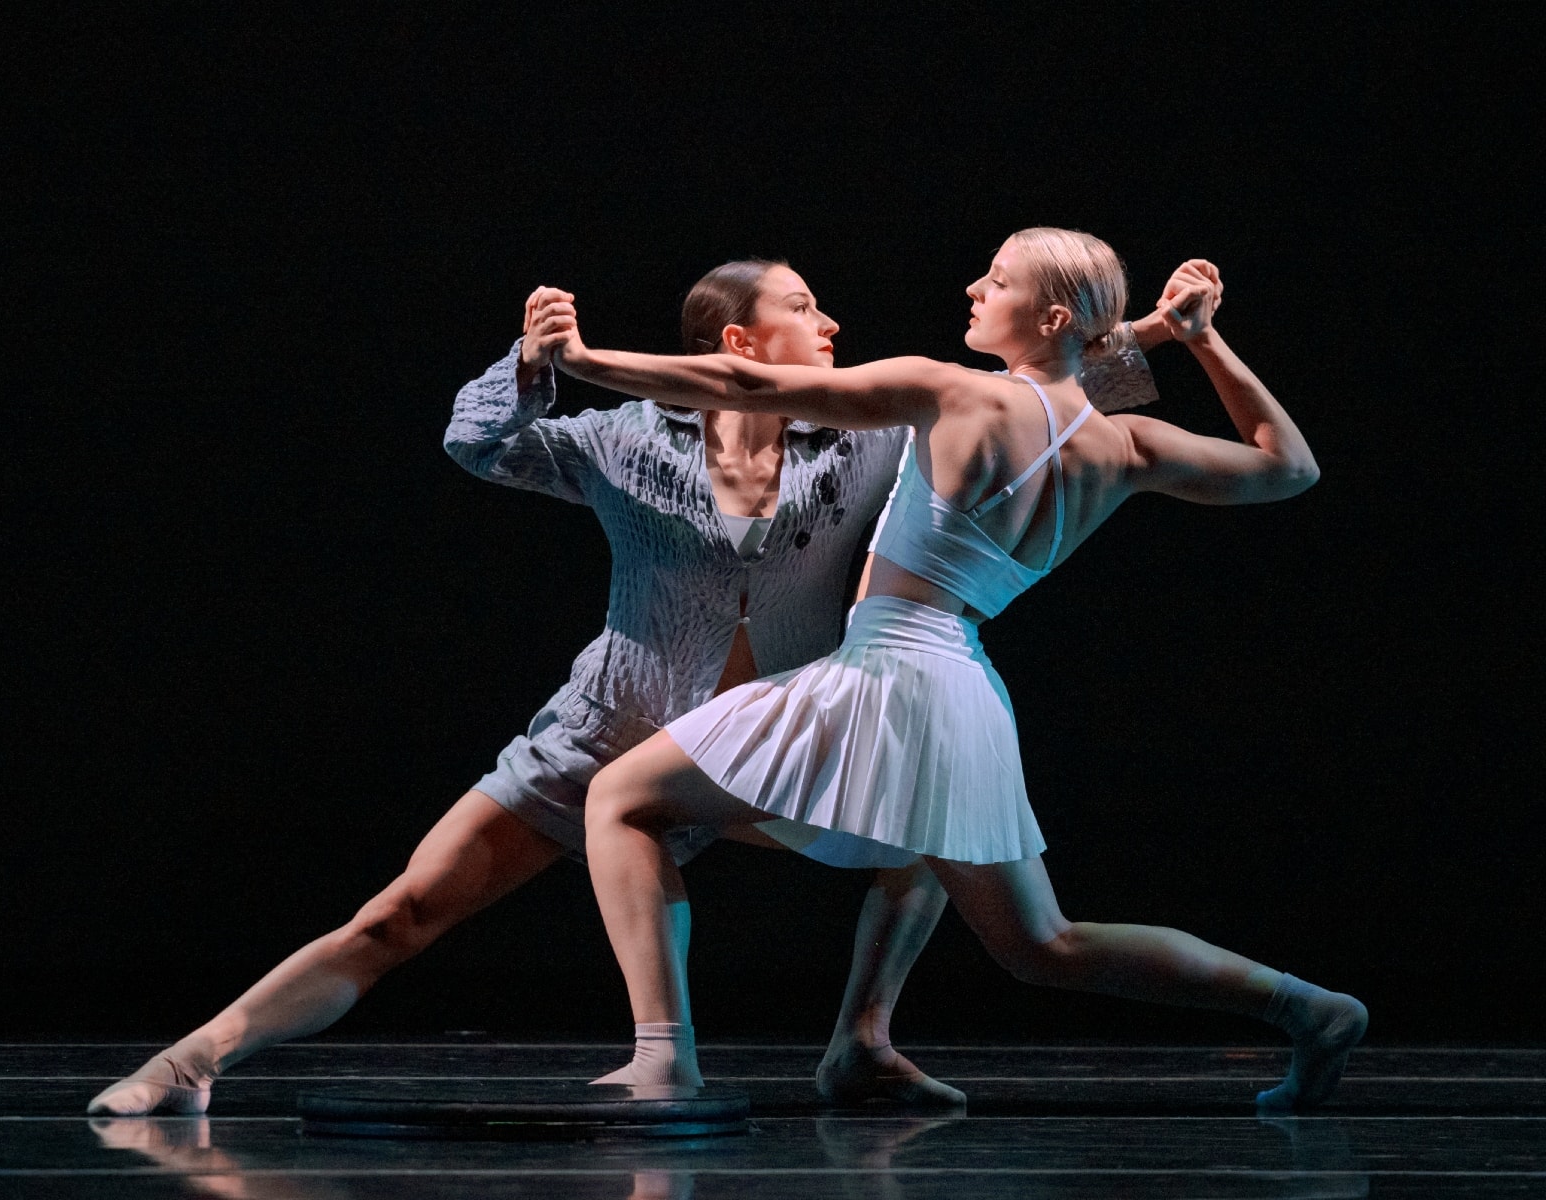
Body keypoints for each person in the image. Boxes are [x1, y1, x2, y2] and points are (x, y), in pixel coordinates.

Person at [85, 258, 1155, 1117]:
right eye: (802, 306)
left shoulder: (873, 442)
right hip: (609, 732)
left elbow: (1054, 414)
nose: (830, 322)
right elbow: (478, 443)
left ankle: (862, 1043)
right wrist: (531, 360)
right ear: (736, 343)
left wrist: (1153, 331)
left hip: (761, 755)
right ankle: (192, 1062)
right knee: (402, 912)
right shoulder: (619, 441)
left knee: (929, 819)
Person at [558, 229, 1368, 1111]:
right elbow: (1291, 467)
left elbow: (749, 383)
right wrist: (1198, 336)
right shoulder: (1126, 446)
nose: (975, 287)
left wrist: (584, 358)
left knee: (622, 798)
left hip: (887, 673)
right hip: (964, 690)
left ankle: (665, 1059)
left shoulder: (950, 392)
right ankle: (1308, 1008)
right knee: (1042, 945)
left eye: (1000, 280)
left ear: (1050, 314)